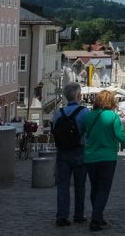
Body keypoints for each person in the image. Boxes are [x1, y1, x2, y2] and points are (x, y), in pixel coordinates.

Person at [82, 90, 125, 232]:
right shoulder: (113, 116)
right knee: (104, 189)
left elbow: (84, 132)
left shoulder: (89, 116)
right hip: (107, 157)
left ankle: (98, 216)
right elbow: (120, 135)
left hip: (90, 157)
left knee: (95, 187)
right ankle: (95, 219)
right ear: (111, 102)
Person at [52, 83, 90, 227]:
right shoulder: (84, 112)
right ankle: (79, 215)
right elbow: (88, 132)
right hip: (79, 151)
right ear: (79, 96)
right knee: (80, 185)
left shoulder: (58, 113)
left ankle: (61, 216)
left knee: (63, 185)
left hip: (62, 152)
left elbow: (54, 130)